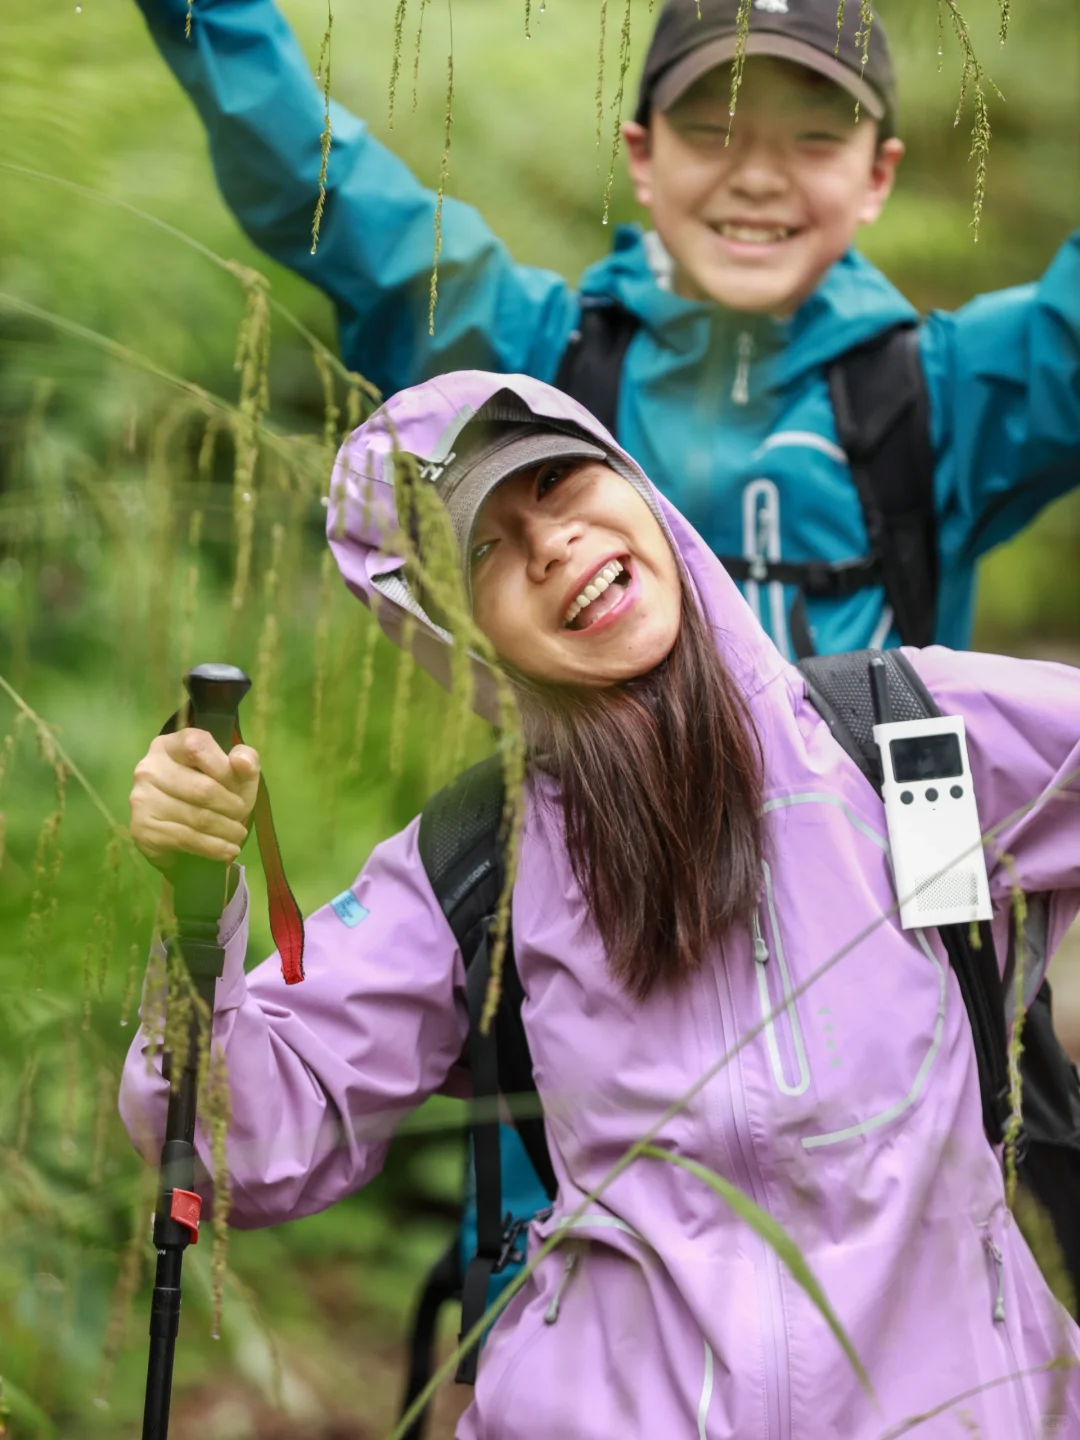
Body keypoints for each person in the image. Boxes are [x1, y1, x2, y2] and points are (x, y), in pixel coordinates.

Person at [123, 369, 1080, 1437]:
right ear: (455, 631)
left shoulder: (906, 734)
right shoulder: (475, 863)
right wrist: (198, 906)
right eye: (485, 547)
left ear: (636, 486)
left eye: (560, 479)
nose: (552, 545)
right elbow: (239, 1150)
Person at [130, 0, 1080, 660]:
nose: (757, 175)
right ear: (644, 157)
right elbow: (324, 189)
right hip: (621, 933)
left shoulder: (948, 394)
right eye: (713, 129)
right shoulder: (541, 361)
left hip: (881, 937)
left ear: (877, 175)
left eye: (816, 137)